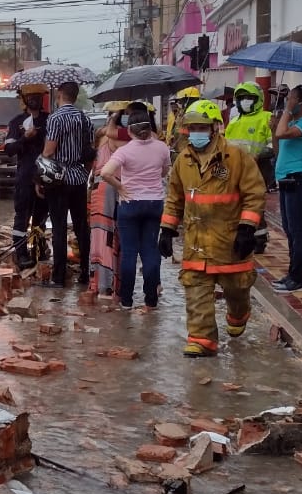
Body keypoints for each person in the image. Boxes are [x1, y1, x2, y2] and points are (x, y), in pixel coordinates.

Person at [159, 99, 265, 357]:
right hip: (195, 242)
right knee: (196, 291)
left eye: (202, 127)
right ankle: (201, 339)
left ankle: (239, 314)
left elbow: (254, 194)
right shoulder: (183, 161)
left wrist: (247, 228)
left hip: (229, 242)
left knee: (237, 289)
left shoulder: (236, 157)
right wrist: (167, 229)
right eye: (193, 127)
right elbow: (175, 198)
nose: (196, 132)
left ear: (215, 128)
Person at [100, 104, 170, 311]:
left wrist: (120, 187)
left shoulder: (125, 151)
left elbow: (105, 173)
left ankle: (127, 300)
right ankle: (151, 300)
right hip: (154, 203)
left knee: (129, 252)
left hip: (130, 204)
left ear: (129, 130)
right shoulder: (162, 147)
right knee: (150, 250)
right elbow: (164, 171)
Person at [41, 81, 95, 288]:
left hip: (58, 180)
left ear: (60, 95)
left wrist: (40, 178)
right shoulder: (85, 119)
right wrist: (85, 173)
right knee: (81, 227)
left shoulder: (55, 118)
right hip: (79, 179)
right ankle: (85, 273)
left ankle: (58, 277)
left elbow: (49, 151)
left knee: (59, 227)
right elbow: (90, 151)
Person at [272, 84, 302, 293]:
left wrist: (287, 111)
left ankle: (298, 278)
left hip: (298, 178)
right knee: (289, 229)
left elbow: (282, 133)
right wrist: (275, 126)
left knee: (298, 231)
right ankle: (291, 274)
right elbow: (278, 143)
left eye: (292, 98)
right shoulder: (293, 122)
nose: (288, 101)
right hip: (285, 178)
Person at [223, 82, 274, 252]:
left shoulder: (267, 117)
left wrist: (259, 155)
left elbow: (274, 145)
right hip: (234, 169)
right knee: (236, 203)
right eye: (241, 98)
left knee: (254, 202)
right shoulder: (234, 122)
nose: (245, 100)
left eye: (249, 97)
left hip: (259, 168)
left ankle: (259, 239)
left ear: (258, 99)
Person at [5, 86, 51, 271]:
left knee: (41, 217)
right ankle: (21, 253)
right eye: (31, 96)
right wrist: (25, 137)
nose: (34, 99)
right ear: (24, 99)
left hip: (45, 176)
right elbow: (9, 150)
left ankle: (38, 250)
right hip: (25, 177)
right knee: (22, 216)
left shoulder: (49, 120)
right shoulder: (16, 122)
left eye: (38, 96)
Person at [88, 101, 132, 296]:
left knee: (101, 236)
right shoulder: (116, 138)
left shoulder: (103, 135)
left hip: (99, 188)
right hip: (111, 188)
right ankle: (109, 285)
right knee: (111, 236)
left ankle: (99, 283)